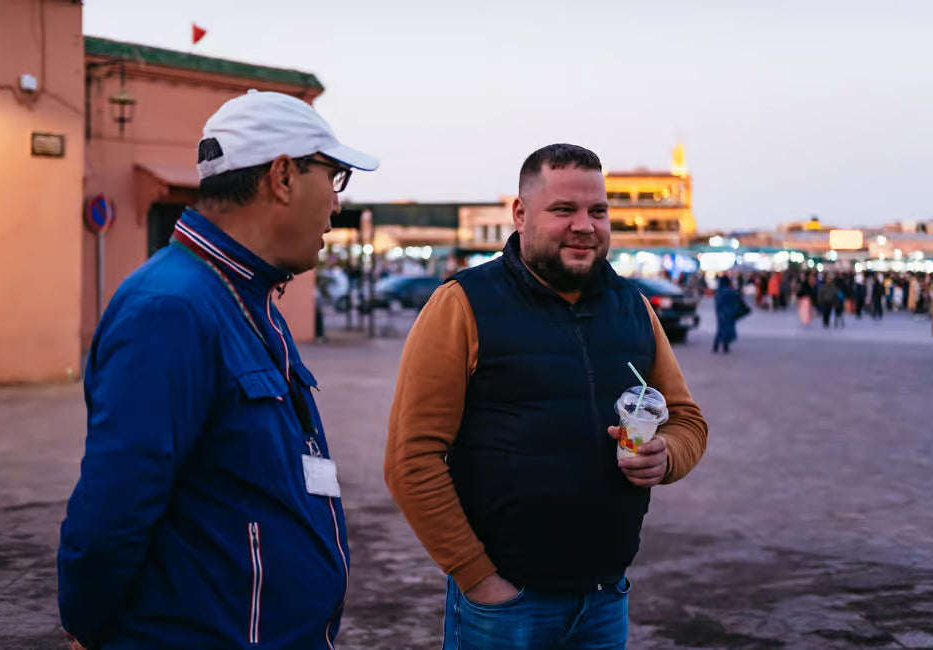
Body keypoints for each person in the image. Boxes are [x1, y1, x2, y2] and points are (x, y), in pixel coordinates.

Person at [58, 91, 378, 649]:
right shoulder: (172, 308)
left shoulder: (243, 294)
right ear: (282, 176)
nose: (335, 204)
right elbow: (113, 511)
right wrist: (87, 627)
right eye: (334, 177)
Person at [384, 144, 708, 649]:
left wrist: (666, 457)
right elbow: (411, 458)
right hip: (504, 606)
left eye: (597, 211)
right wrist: (479, 579)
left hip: (605, 597)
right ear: (520, 214)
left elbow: (686, 419)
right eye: (564, 210)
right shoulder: (463, 305)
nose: (585, 225)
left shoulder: (633, 308)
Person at [713, 275, 744, 353]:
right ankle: (725, 346)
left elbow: (717, 303)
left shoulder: (719, 291)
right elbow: (735, 303)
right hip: (729, 313)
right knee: (727, 330)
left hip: (721, 313)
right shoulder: (730, 291)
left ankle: (716, 345)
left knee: (720, 329)